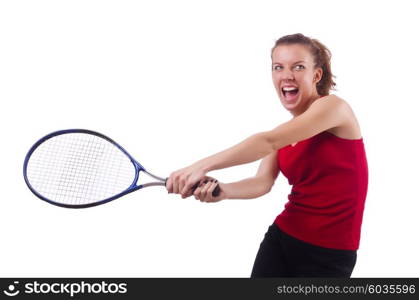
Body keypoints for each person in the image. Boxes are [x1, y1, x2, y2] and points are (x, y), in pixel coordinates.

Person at [166, 33, 368, 277]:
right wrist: (223, 190)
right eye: (278, 67)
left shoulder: (334, 108)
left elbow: (267, 141)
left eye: (298, 67)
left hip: (330, 256)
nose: (286, 75)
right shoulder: (285, 132)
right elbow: (261, 182)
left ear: (316, 75)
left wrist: (201, 165)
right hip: (282, 241)